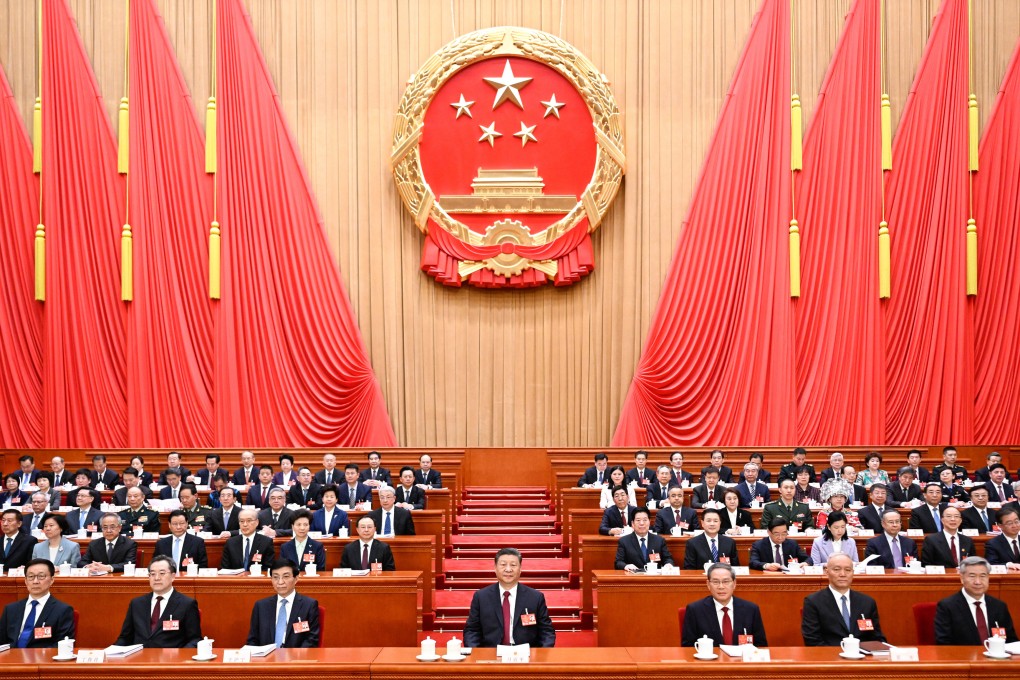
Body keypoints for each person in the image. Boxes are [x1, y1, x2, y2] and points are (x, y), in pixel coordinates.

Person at [463, 549, 558, 650]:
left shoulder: (535, 597)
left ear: (520, 568)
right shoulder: (481, 597)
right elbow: (472, 631)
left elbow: (546, 632)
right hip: (491, 655)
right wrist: (476, 653)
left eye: (513, 565)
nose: (508, 569)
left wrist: (542, 654)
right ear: (495, 568)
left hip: (526, 657)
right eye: (503, 564)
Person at [115, 555, 202, 647]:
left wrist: (179, 657)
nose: (156, 578)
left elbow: (195, 640)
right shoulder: (136, 603)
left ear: (173, 576)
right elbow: (125, 638)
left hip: (170, 659)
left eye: (162, 573)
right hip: (140, 658)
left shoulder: (187, 604)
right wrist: (110, 653)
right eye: (152, 574)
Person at [801, 553, 885, 646]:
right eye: (837, 569)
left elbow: (876, 637)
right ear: (826, 572)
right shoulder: (813, 601)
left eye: (848, 570)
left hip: (862, 656)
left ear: (853, 572)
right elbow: (812, 640)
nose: (843, 574)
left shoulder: (867, 602)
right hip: (829, 657)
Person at [934, 556, 1017, 644]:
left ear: (988, 577)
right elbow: (943, 643)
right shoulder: (947, 606)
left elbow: (1011, 641)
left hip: (996, 657)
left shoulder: (999, 606)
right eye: (972, 576)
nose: (978, 582)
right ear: (962, 578)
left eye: (982, 576)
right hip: (963, 656)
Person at [681, 562, 768, 647]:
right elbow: (687, 647)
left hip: (741, 660)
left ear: (734, 584)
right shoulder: (695, 610)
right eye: (715, 582)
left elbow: (761, 645)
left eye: (726, 581)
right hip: (710, 661)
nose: (721, 587)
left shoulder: (751, 609)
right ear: (708, 584)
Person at [0, 559, 76, 648]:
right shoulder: (11, 609)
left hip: (42, 659)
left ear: (52, 580)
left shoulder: (62, 610)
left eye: (41, 576)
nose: (35, 581)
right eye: (31, 576)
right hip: (11, 659)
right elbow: (2, 642)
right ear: (25, 580)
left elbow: (62, 645)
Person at [246, 559, 321, 648]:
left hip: (296, 659)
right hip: (266, 659)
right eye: (276, 577)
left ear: (296, 579)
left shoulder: (309, 605)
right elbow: (252, 640)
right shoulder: (261, 606)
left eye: (286, 576)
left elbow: (311, 640)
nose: (280, 582)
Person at [614, 508, 674, 572]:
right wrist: (626, 566)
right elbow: (618, 562)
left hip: (654, 578)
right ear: (632, 523)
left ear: (649, 522)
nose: (642, 523)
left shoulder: (659, 540)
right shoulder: (624, 541)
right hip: (633, 578)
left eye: (645, 520)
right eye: (638, 520)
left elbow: (668, 558)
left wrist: (668, 564)